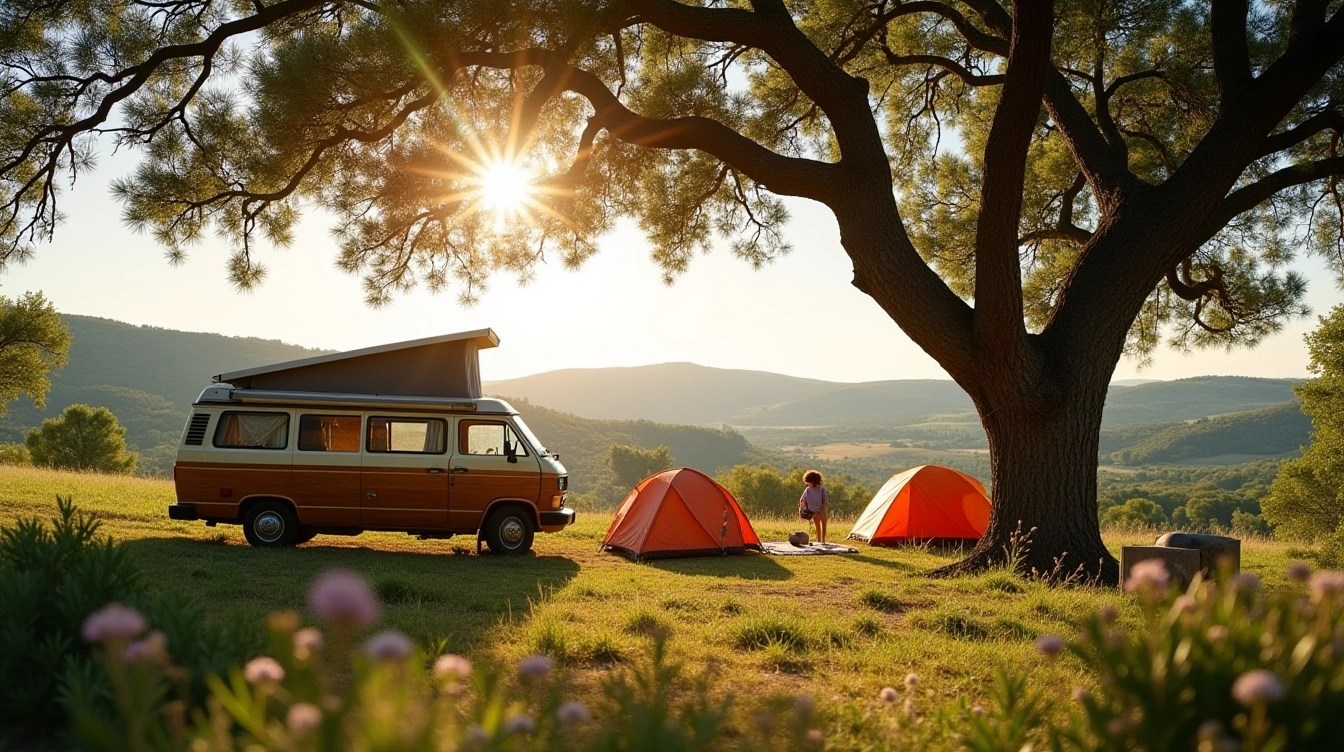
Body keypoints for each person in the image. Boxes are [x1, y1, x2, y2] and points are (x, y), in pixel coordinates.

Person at [799, 470, 829, 544]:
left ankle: (823, 540)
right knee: (817, 525)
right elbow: (802, 499)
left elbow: (825, 500)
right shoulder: (808, 489)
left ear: (813, 481)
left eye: (808, 482)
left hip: (821, 510)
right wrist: (802, 508)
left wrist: (823, 509)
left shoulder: (822, 489)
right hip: (813, 510)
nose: (807, 484)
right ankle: (818, 540)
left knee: (823, 524)